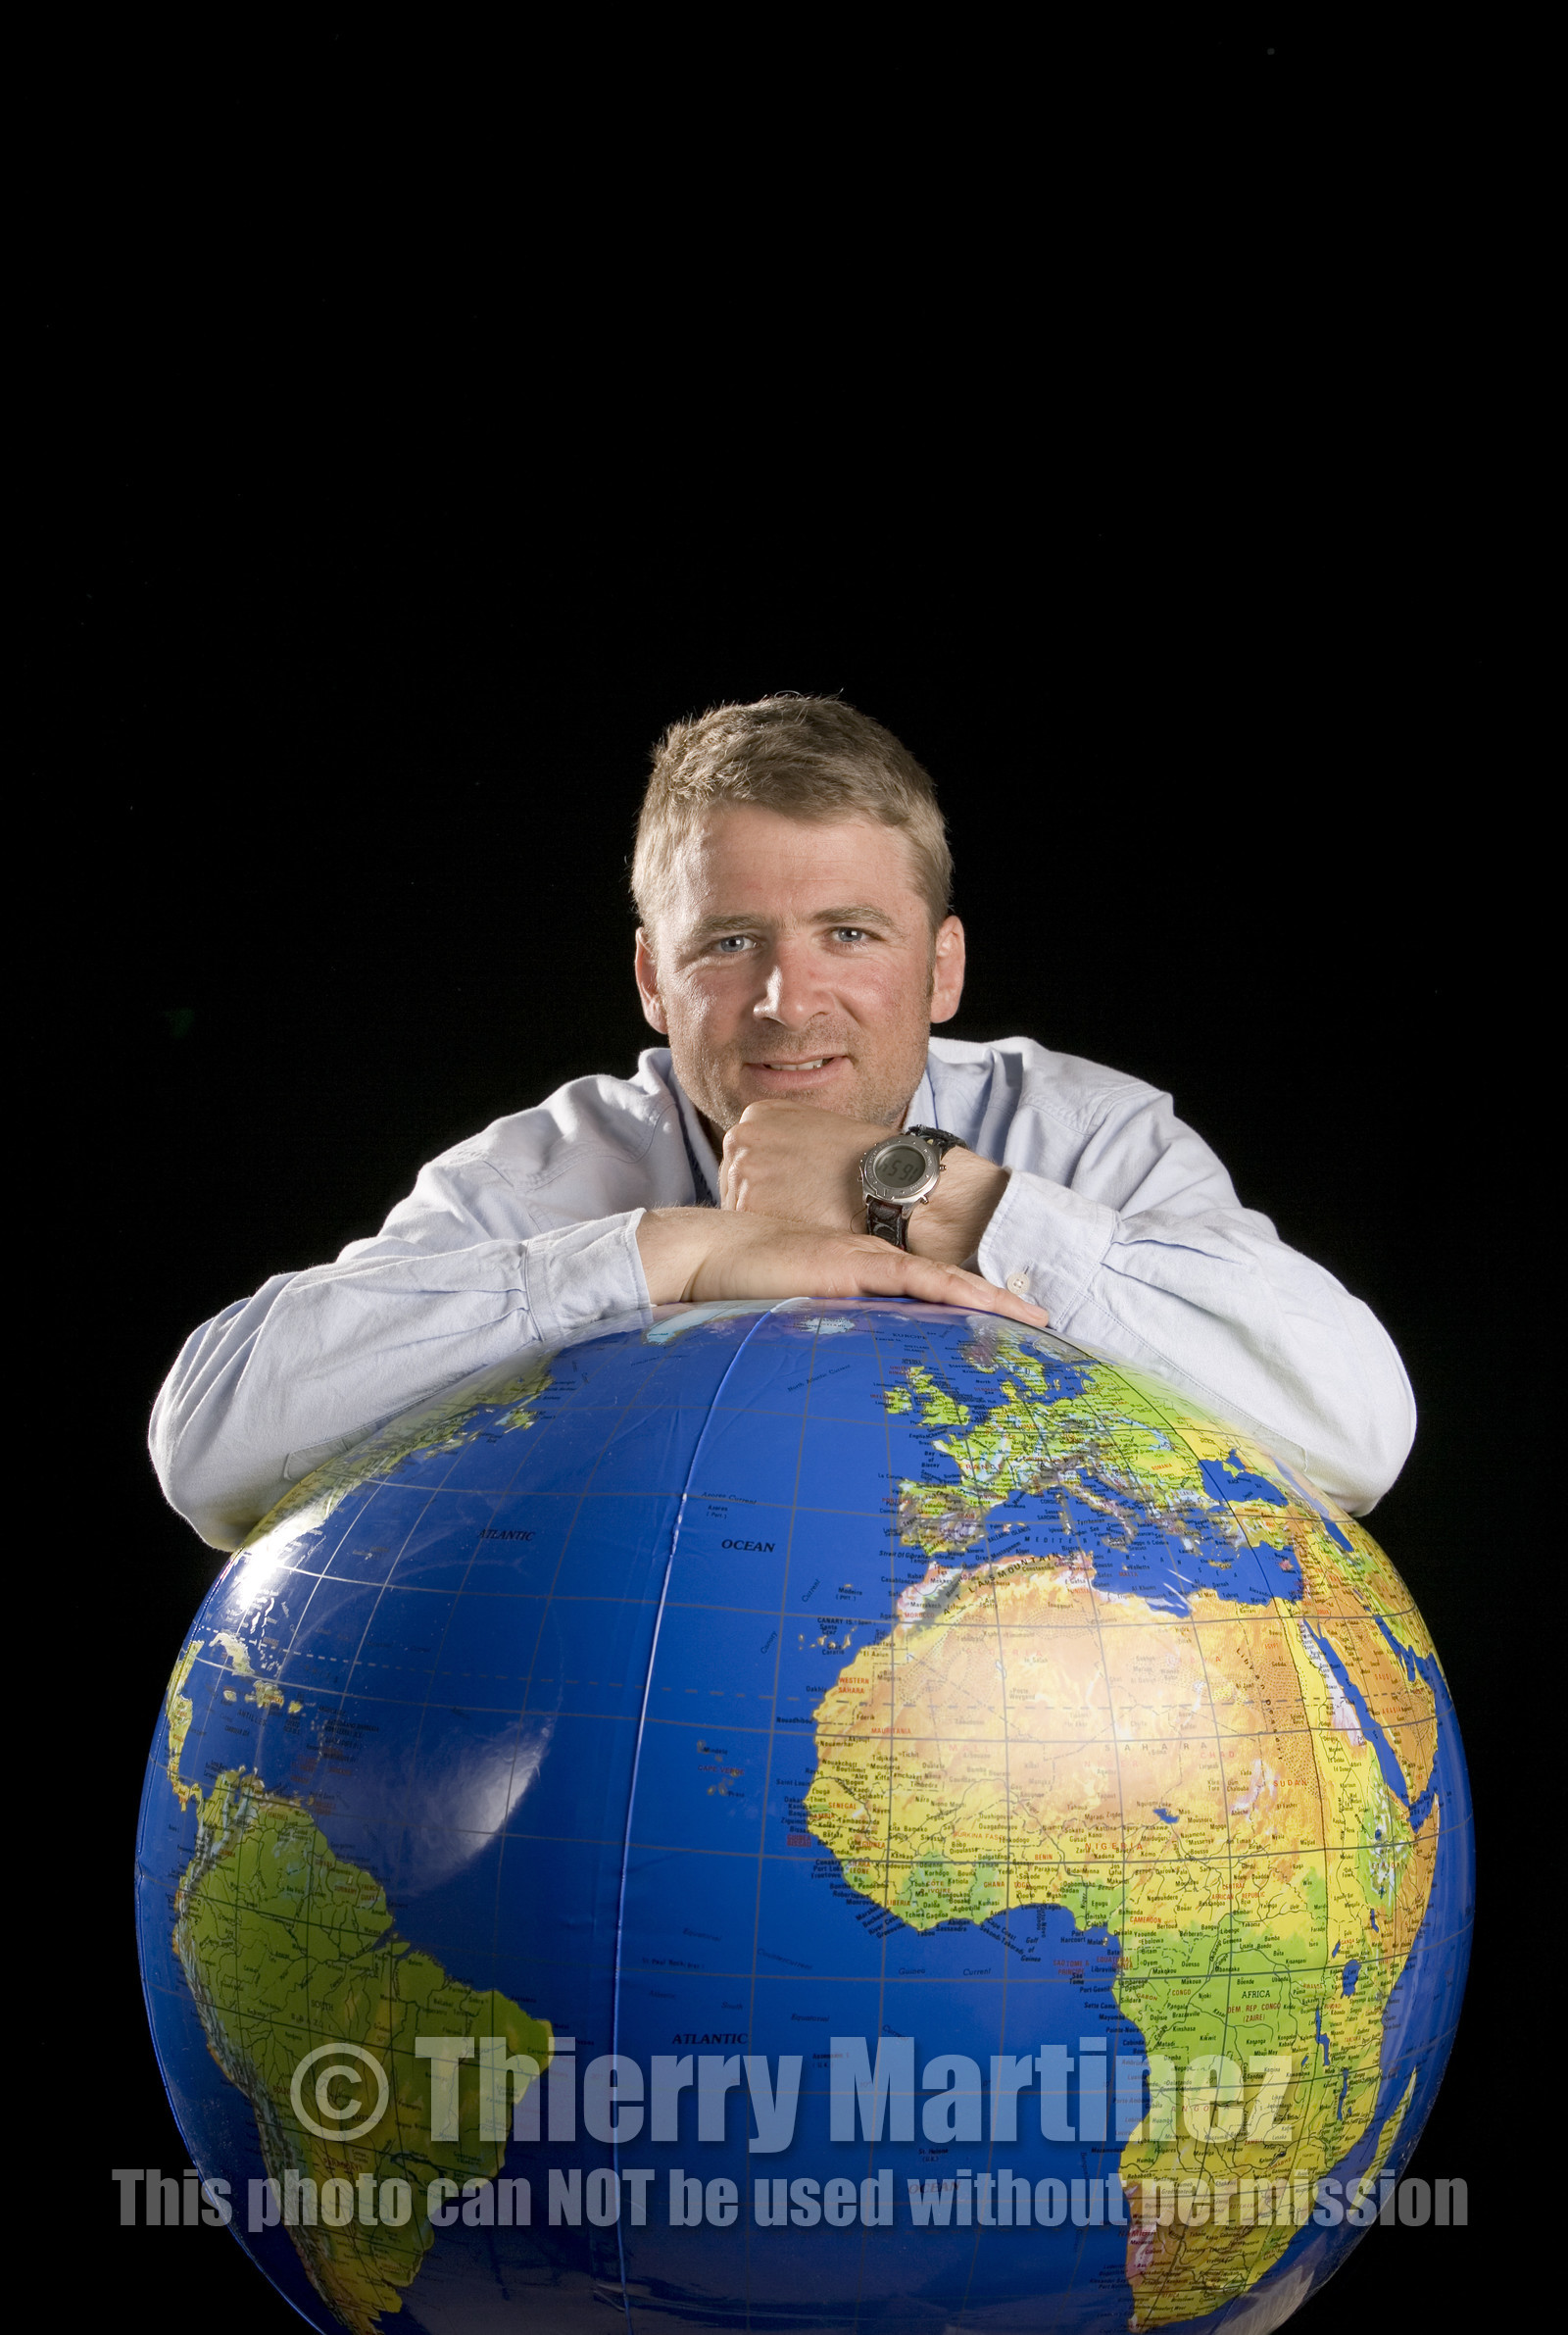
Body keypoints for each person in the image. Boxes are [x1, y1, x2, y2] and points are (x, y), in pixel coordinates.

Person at [151, 696, 1414, 1551]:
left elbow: (1358, 1434)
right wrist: (668, 1255)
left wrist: (919, 1190)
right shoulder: (551, 1168)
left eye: (851, 935)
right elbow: (209, 1449)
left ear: (943, 969)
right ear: (653, 981)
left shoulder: (1086, 1136)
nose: (785, 1000)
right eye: (730, 941)